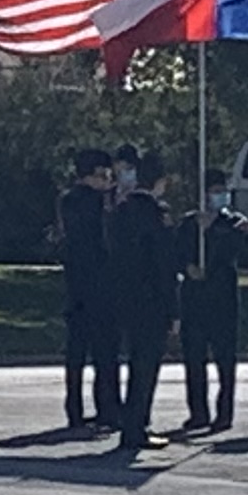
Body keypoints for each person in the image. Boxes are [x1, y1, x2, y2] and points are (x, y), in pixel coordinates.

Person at [105, 153, 183, 460]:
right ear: (160, 182)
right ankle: (136, 427)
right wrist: (174, 308)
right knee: (146, 366)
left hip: (124, 297)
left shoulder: (121, 210)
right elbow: (164, 266)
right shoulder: (156, 213)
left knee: (133, 361)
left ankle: (130, 423)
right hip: (151, 301)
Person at [55, 147, 117, 433]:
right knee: (104, 354)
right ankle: (107, 408)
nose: (108, 181)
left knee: (77, 355)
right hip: (99, 287)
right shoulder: (97, 204)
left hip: (76, 287)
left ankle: (76, 410)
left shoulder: (67, 202)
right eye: (104, 175)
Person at [183, 165, 248, 435]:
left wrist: (227, 230)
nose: (220, 196)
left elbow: (242, 254)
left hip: (223, 298)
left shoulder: (233, 223)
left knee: (225, 359)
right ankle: (198, 413)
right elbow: (176, 252)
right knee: (194, 358)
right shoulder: (189, 223)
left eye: (223, 191)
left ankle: (224, 414)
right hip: (195, 298)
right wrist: (187, 266)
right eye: (215, 191)